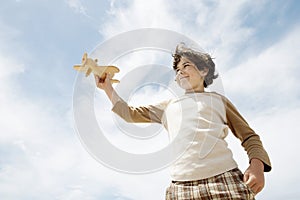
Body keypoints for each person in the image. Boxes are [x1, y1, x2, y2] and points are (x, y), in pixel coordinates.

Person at [94, 43, 272, 200]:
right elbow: (129, 114)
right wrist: (107, 87)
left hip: (224, 180)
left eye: (186, 65)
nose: (181, 72)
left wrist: (257, 165)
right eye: (178, 70)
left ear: (203, 71)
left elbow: (249, 137)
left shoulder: (219, 101)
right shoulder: (167, 106)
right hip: (181, 188)